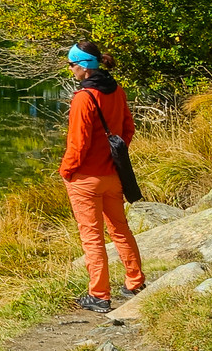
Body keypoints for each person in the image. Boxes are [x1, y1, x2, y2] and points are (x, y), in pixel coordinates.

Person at [61, 39, 145, 313]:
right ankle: (135, 281)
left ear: (84, 68)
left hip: (85, 179)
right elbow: (128, 129)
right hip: (113, 175)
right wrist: (114, 155)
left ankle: (99, 295)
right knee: (120, 230)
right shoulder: (117, 91)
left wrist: (67, 171)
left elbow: (78, 143)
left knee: (92, 237)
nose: (70, 69)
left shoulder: (83, 98)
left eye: (72, 64)